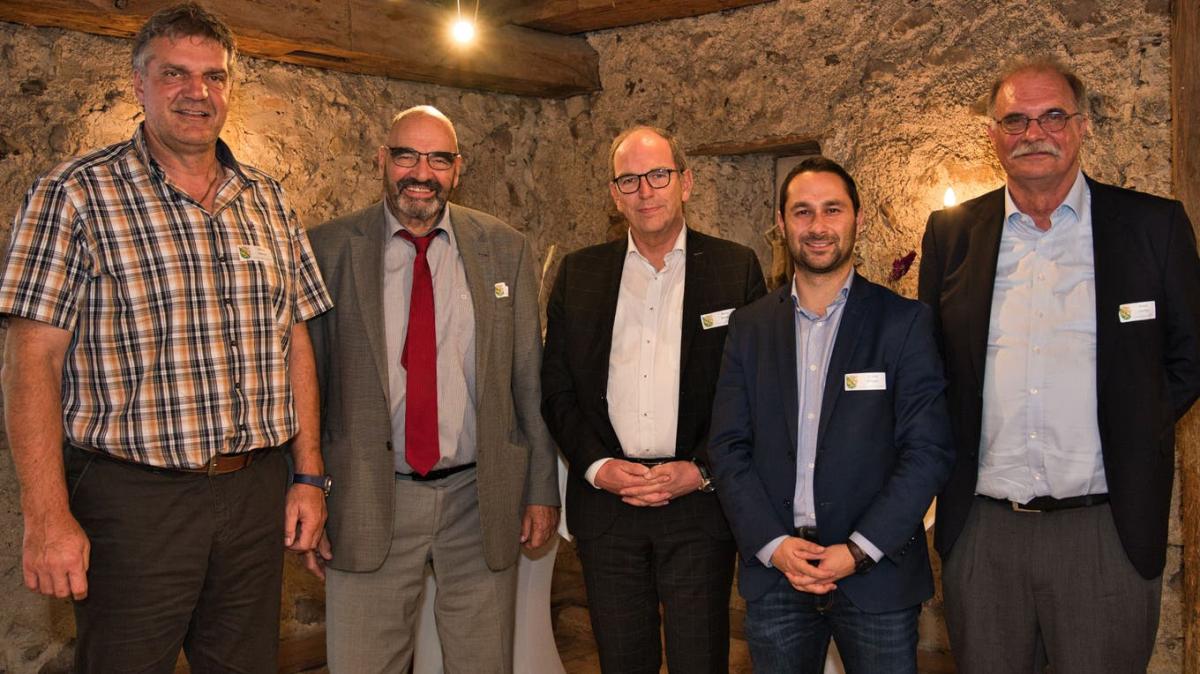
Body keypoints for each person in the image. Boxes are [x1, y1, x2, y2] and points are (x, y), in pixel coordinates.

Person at [0, 3, 333, 671]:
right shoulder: (74, 194)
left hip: (254, 492)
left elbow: (294, 338)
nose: (196, 92)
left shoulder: (267, 199)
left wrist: (308, 474)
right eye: (175, 73)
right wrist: (46, 515)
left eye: (214, 76)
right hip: (134, 501)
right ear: (139, 83)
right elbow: (30, 360)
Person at [919, 56, 1200, 673]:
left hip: (1104, 530)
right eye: (1014, 120)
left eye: (1052, 116)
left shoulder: (1153, 226)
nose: (1034, 133)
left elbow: (1190, 354)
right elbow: (931, 367)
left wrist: (1138, 422)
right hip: (985, 530)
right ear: (993, 135)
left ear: (1081, 125)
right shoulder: (951, 234)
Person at [304, 105, 560, 674]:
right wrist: (307, 490)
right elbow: (307, 385)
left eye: (439, 159)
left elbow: (528, 379)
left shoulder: (505, 248)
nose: (422, 173)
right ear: (382, 160)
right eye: (407, 156)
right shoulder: (327, 249)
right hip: (368, 500)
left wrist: (542, 488)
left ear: (457, 169)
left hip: (479, 499)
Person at [708, 157, 954, 673]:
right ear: (781, 225)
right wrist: (774, 545)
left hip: (876, 576)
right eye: (802, 212)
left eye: (832, 210)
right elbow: (728, 448)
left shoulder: (903, 323)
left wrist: (859, 550)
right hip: (777, 574)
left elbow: (927, 451)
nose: (817, 226)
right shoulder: (750, 327)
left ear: (857, 219)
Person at [541, 125, 766, 673]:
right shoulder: (580, 272)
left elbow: (754, 391)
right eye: (630, 180)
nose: (646, 191)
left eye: (659, 175)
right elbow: (557, 387)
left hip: (697, 505)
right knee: (622, 661)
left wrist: (701, 469)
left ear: (685, 182)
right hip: (608, 509)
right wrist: (597, 467)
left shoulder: (735, 268)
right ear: (614, 195)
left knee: (699, 660)